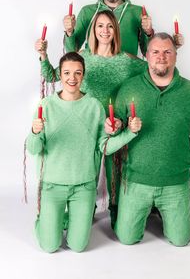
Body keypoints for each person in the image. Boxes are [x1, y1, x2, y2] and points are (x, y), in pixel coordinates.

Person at [107, 33, 190, 246]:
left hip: (175, 182)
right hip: (135, 181)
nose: (161, 56)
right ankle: (141, 209)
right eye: (156, 52)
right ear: (147, 56)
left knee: (181, 241)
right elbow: (118, 128)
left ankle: (163, 211)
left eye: (167, 52)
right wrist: (113, 127)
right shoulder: (130, 88)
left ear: (176, 56)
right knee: (126, 239)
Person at [35, 10, 147, 228]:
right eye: (100, 26)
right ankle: (84, 209)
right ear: (92, 30)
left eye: (110, 26)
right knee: (86, 173)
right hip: (84, 126)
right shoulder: (82, 57)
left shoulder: (128, 61)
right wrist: (43, 55)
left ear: (116, 31)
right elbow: (51, 75)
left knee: (115, 175)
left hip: (114, 127)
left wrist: (174, 50)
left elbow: (153, 69)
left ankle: (117, 213)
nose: (105, 31)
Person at [26, 52, 141, 253]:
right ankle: (43, 219)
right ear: (60, 75)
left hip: (84, 187)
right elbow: (34, 149)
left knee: (78, 246)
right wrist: (35, 132)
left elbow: (104, 146)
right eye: (67, 73)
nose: (72, 78)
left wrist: (130, 133)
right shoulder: (46, 106)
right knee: (50, 246)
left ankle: (63, 219)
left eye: (77, 73)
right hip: (53, 185)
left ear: (83, 75)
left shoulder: (94, 107)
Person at [63, 0, 157, 56]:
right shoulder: (87, 12)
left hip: (127, 70)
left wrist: (148, 33)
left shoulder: (137, 12)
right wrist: (69, 31)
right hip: (94, 70)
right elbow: (72, 52)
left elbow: (147, 52)